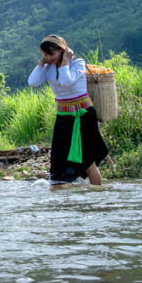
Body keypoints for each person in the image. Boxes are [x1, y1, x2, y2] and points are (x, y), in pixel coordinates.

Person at [28, 34, 108, 187]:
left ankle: (98, 196)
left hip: (83, 116)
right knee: (58, 159)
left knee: (87, 160)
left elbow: (66, 81)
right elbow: (33, 82)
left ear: (63, 50)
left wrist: (65, 60)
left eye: (51, 54)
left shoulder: (77, 63)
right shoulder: (48, 68)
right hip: (64, 117)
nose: (48, 57)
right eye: (45, 54)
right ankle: (61, 202)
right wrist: (41, 63)